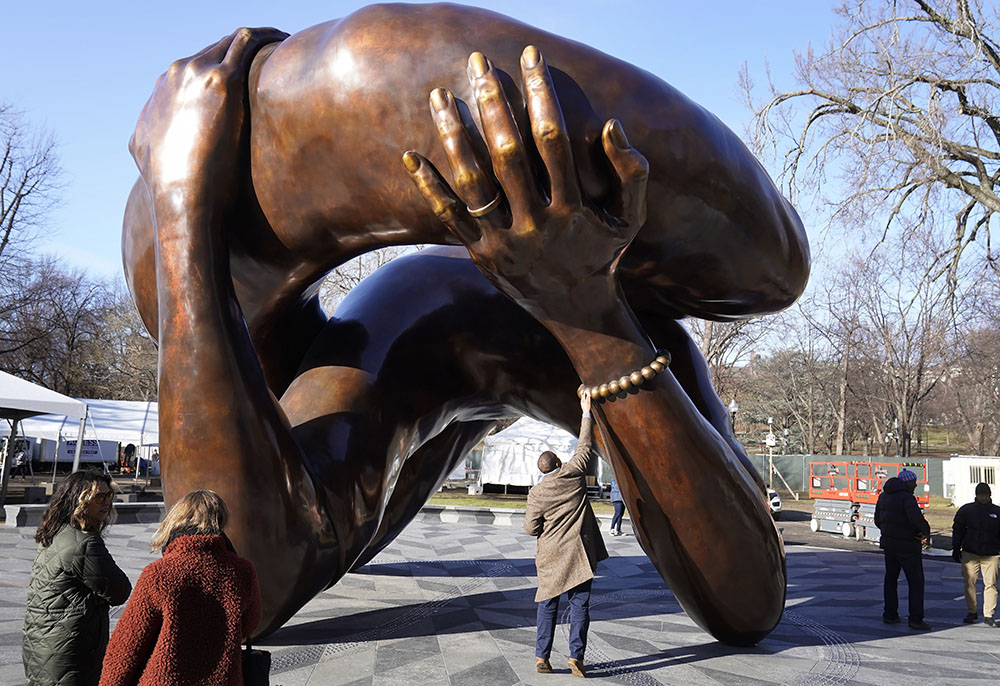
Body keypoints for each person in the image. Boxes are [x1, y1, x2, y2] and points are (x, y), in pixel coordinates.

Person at [124, 9, 804, 644]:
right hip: (410, 341)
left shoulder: (649, 340)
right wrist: (184, 207)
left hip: (449, 332)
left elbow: (749, 603)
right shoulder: (384, 343)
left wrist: (586, 312)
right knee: (332, 441)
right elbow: (238, 592)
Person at [99, 490, 261, 686]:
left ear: (176, 520)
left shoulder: (159, 573)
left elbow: (127, 644)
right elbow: (251, 624)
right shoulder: (242, 570)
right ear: (220, 521)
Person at [524, 390, 607, 678]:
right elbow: (585, 444)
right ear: (559, 462)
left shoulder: (536, 493)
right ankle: (576, 659)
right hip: (578, 554)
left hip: (550, 556)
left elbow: (530, 528)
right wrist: (586, 411)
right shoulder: (574, 474)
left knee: (547, 605)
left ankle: (542, 658)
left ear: (542, 470)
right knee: (580, 606)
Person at [22, 469, 132, 686]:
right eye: (99, 497)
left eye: (109, 496)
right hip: (68, 649)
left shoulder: (55, 533)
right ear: (79, 500)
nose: (107, 502)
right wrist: (96, 599)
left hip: (40, 643)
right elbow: (120, 590)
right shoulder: (84, 544)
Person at [874, 468, 931, 630]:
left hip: (889, 545)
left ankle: (890, 614)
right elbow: (916, 519)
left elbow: (878, 520)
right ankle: (915, 619)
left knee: (890, 580)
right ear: (908, 482)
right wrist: (923, 532)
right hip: (908, 546)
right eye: (914, 482)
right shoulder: (907, 498)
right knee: (916, 582)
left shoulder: (883, 496)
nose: (915, 485)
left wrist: (888, 533)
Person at [951, 482, 1000, 626]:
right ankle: (972, 611)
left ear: (990, 495)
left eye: (985, 495)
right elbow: (958, 530)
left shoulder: (997, 512)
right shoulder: (967, 510)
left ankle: (988, 614)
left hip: (992, 554)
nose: (983, 498)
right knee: (969, 582)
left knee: (990, 584)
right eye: (981, 495)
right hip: (970, 553)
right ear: (976, 495)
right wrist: (956, 547)